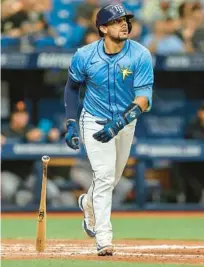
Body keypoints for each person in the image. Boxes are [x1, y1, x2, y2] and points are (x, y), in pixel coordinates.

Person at [64, 4, 153, 256]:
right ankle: (104, 237)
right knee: (103, 176)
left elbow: (144, 98)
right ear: (103, 28)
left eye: (125, 19)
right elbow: (72, 88)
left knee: (111, 179)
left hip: (125, 123)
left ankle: (88, 202)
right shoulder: (85, 55)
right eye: (116, 21)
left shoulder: (140, 54)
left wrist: (120, 123)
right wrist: (71, 122)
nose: (123, 24)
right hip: (94, 119)